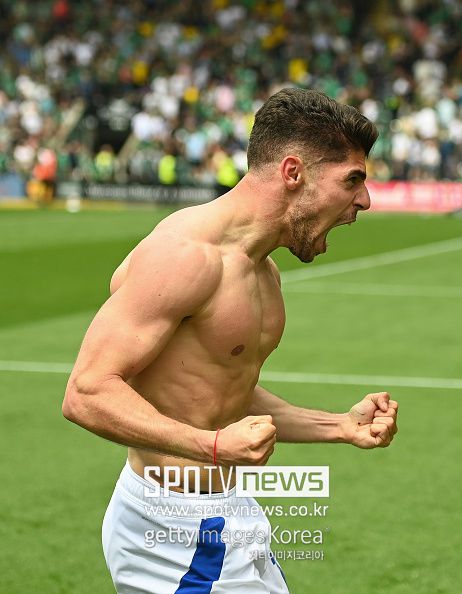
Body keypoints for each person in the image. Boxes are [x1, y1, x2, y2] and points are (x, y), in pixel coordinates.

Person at [63, 88, 399, 594]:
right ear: (293, 172)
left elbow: (221, 390)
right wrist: (214, 447)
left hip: (227, 511)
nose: (365, 200)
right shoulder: (185, 256)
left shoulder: (262, 272)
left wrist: (338, 426)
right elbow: (86, 392)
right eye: (352, 179)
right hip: (170, 531)